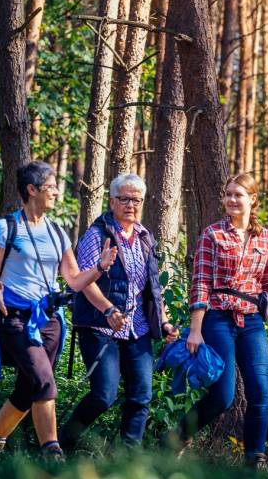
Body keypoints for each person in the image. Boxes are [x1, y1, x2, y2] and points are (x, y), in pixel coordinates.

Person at [0, 160, 117, 461]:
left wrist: (100, 267)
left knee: (29, 390)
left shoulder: (56, 231)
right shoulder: (6, 227)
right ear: (31, 189)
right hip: (14, 316)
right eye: (50, 187)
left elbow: (75, 281)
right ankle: (52, 453)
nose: (55, 192)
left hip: (49, 321)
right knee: (45, 382)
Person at [170, 173, 268, 468]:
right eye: (228, 194)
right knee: (223, 396)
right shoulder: (212, 235)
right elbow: (200, 283)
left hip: (252, 321)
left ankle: (256, 459)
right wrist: (196, 331)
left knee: (260, 393)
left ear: (252, 199)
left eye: (238, 195)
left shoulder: (266, 239)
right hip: (218, 318)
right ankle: (177, 437)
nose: (231, 200)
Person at [59, 173, 180, 453]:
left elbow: (150, 287)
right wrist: (108, 309)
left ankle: (128, 457)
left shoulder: (145, 237)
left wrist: (162, 321)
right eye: (124, 199)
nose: (130, 205)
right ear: (112, 201)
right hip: (101, 327)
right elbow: (84, 282)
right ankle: (62, 445)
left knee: (141, 396)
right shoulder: (98, 234)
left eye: (136, 200)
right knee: (104, 395)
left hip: (137, 328)